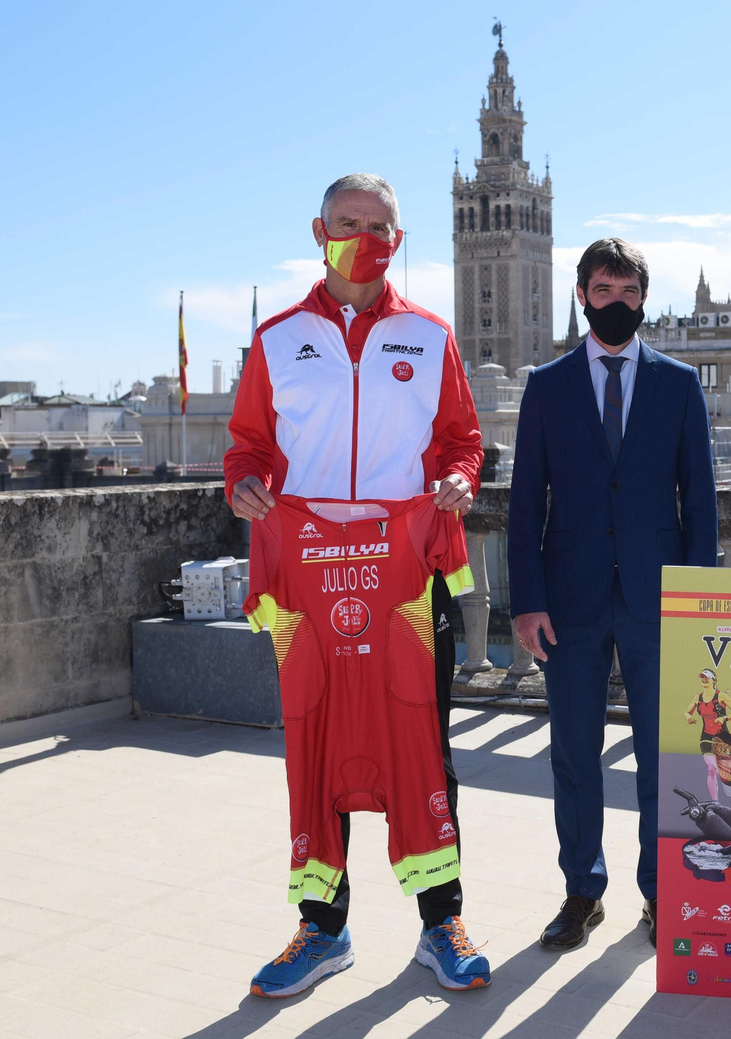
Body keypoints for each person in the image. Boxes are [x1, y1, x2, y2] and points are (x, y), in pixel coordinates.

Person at [224, 173, 491, 996]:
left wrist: (458, 481)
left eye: (381, 226)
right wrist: (244, 485)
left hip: (408, 572)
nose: (366, 237)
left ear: (399, 240)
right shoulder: (275, 340)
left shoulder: (430, 336)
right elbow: (247, 448)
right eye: (350, 223)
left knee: (424, 743)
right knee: (317, 739)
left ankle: (440, 919)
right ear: (319, 229)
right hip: (309, 576)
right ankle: (323, 928)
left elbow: (463, 440)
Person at [509, 238, 718, 950]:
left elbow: (701, 501)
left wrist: (697, 600)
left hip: (660, 599)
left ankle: (662, 894)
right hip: (568, 602)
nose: (617, 303)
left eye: (629, 292)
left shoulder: (678, 384)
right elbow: (522, 503)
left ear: (644, 298)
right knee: (574, 750)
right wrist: (526, 601)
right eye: (604, 290)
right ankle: (581, 890)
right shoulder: (546, 385)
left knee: (665, 754)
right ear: (582, 294)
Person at [686, 670, 731, 801]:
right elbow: (687, 712)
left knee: (725, 772)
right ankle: (715, 802)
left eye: (707, 678)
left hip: (722, 738)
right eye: (702, 677)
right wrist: (688, 716)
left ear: (713, 680)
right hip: (706, 737)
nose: (704, 680)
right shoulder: (697, 698)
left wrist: (724, 718)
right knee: (712, 769)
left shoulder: (721, 696)